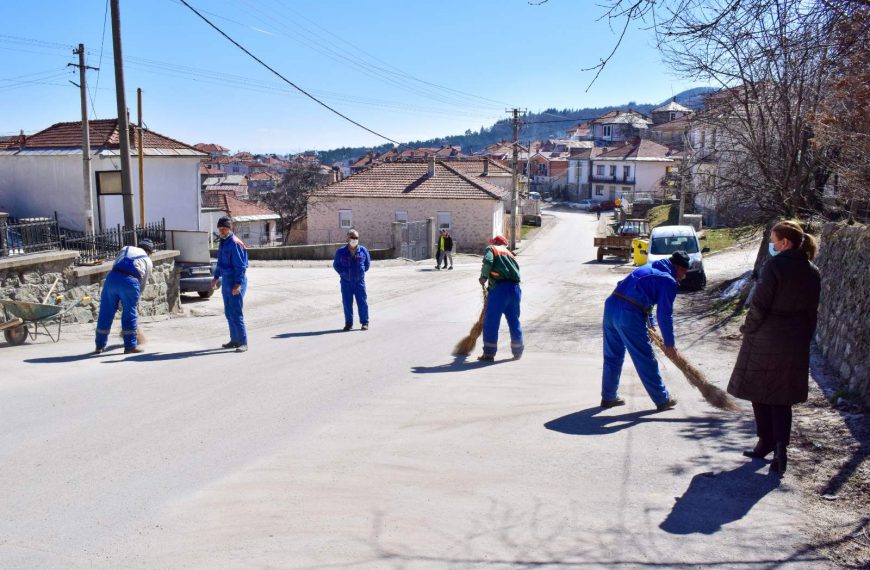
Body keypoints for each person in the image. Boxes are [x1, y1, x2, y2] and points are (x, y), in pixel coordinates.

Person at [728, 220, 820, 474]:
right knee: (783, 397)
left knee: (761, 391)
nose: (771, 243)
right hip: (795, 339)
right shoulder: (812, 270)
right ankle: (780, 449)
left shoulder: (774, 266)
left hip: (767, 335)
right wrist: (805, 336)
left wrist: (748, 328)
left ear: (785, 242)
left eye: (773, 238)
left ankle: (765, 441)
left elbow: (759, 305)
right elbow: (813, 311)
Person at [601, 251, 690, 411]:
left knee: (612, 356)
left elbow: (644, 298)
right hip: (628, 313)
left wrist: (652, 326)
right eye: (684, 271)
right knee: (645, 357)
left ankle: (608, 397)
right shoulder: (668, 281)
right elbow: (664, 314)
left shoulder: (648, 268)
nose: (684, 276)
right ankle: (662, 399)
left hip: (611, 307)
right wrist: (670, 345)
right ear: (677, 267)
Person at [94, 239, 155, 355]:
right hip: (131, 282)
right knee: (129, 314)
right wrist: (135, 300)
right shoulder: (147, 260)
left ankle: (99, 346)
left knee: (105, 312)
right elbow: (142, 283)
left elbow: (115, 264)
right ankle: (130, 346)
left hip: (112, 278)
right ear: (149, 252)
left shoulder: (125, 248)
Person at [478, 235, 523, 362]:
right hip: (515, 290)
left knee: (491, 321)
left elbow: (488, 261)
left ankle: (489, 353)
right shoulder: (510, 254)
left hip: (499, 290)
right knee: (514, 321)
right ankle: (518, 352)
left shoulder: (492, 249)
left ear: (495, 242)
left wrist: (484, 277)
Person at [210, 216, 249, 352]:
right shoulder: (223, 241)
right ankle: (234, 339)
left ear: (229, 228)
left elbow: (241, 266)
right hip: (226, 280)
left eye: (224, 228)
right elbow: (220, 262)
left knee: (236, 312)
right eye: (220, 228)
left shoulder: (234, 242)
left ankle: (243, 342)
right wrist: (215, 277)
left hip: (236, 280)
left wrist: (238, 284)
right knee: (228, 312)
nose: (222, 231)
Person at [333, 229, 371, 331]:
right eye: (352, 237)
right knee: (347, 303)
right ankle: (348, 324)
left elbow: (367, 265)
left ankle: (365, 323)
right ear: (348, 238)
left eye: (356, 238)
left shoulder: (363, 251)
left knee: (362, 302)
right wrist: (343, 273)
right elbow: (336, 265)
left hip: (359, 282)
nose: (354, 240)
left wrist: (360, 273)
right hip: (346, 283)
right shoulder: (341, 252)